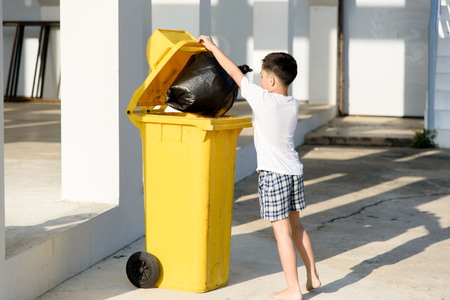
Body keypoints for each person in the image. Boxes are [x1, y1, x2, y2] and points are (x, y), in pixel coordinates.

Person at [198, 35, 321, 300]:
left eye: (263, 76)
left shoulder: (264, 100)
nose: (260, 81)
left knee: (282, 235)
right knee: (297, 227)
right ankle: (312, 276)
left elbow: (232, 70)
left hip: (274, 175)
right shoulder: (292, 103)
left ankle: (293, 290)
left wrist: (211, 46)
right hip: (294, 171)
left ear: (273, 81)